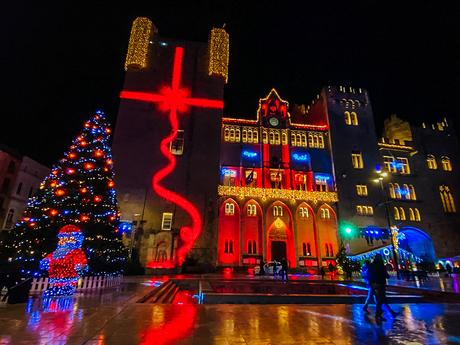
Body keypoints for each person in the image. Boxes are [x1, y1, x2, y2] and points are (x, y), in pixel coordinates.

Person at [368, 254, 399, 321]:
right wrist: (387, 276)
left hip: (373, 284)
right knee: (381, 300)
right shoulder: (381, 265)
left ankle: (391, 313)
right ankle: (378, 315)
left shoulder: (371, 265)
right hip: (380, 284)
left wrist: (370, 283)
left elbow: (369, 274)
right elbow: (385, 275)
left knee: (381, 300)